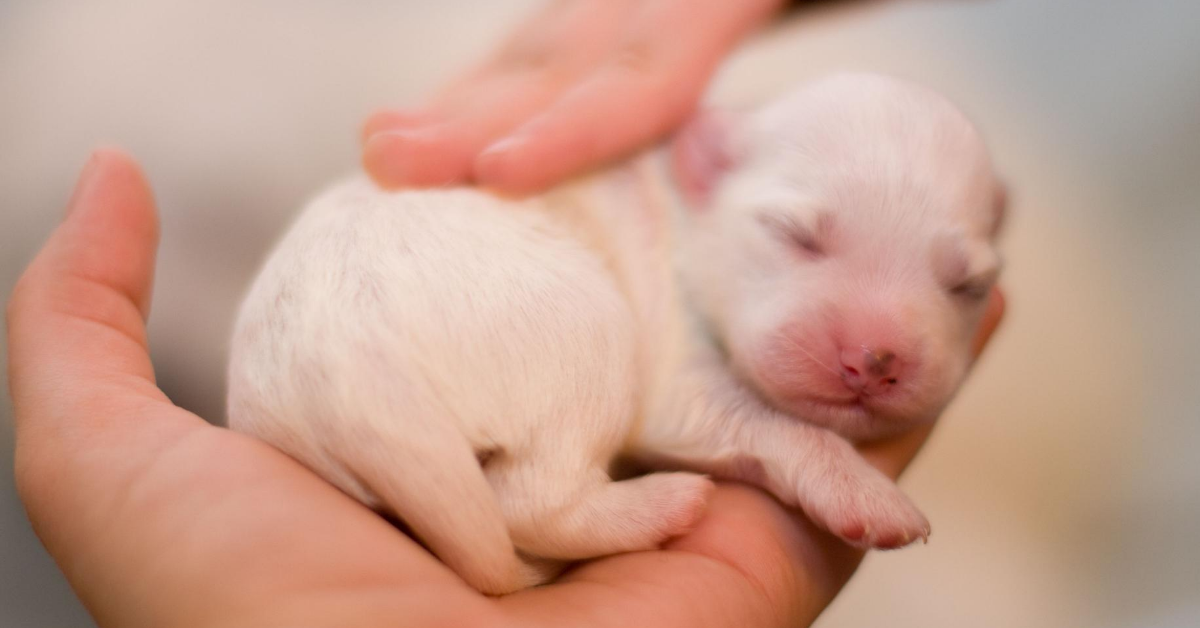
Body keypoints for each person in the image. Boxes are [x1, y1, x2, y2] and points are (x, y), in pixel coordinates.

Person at [6, 1, 1004, 626]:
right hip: (415, 319)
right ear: (703, 169)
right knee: (586, 333)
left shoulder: (668, 222)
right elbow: (670, 399)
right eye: (800, 238)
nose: (880, 342)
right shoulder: (631, 210)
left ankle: (507, 501)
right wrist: (805, 454)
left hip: (327, 377)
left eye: (958, 285)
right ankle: (549, 500)